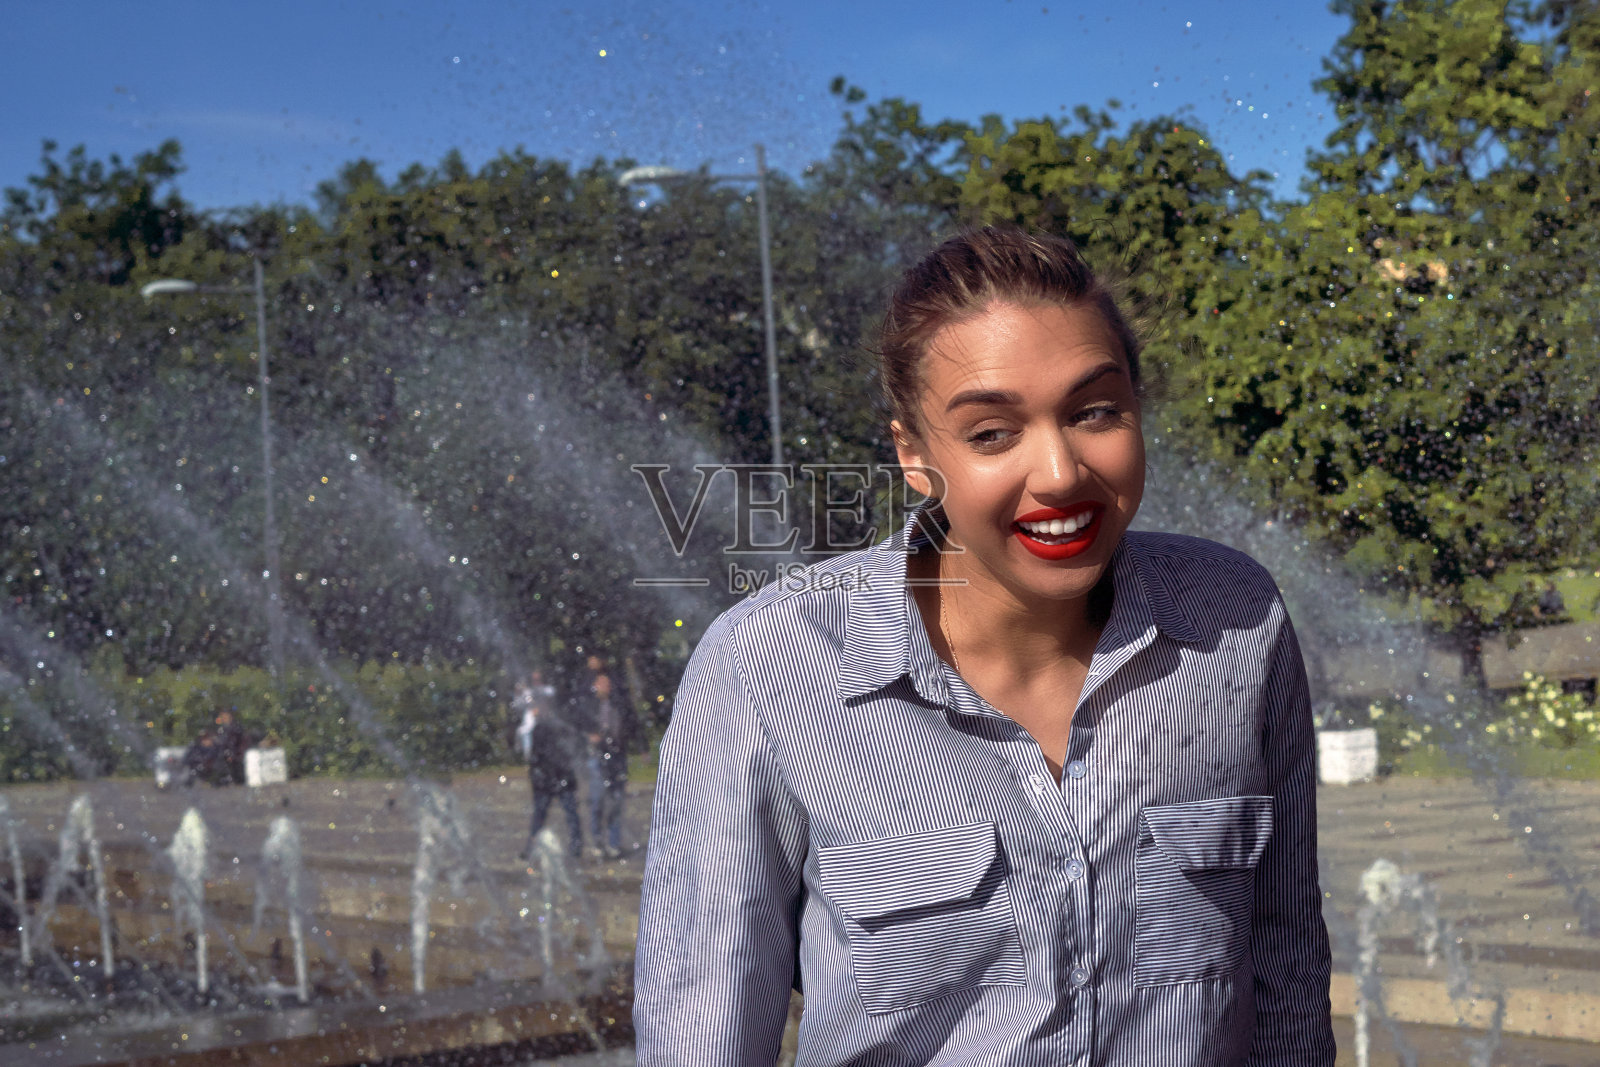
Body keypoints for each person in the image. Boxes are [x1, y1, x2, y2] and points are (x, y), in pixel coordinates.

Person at [635, 227, 1335, 1065]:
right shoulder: (768, 667)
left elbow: (1287, 967)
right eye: (992, 433)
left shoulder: (1236, 621)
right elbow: (701, 1032)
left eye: (1094, 411)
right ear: (914, 454)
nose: (1061, 473)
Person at [513, 669, 582, 861]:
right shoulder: (542, 728)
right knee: (543, 816)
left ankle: (575, 847)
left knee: (567, 815)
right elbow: (537, 757)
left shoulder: (556, 727)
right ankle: (533, 848)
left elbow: (563, 752)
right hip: (547, 779)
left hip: (558, 777)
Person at [584, 656, 630, 859]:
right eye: (602, 684)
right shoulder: (588, 706)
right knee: (597, 800)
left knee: (616, 800)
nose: (606, 687)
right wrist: (589, 736)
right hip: (597, 756)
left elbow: (630, 722)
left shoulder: (618, 704)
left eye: (608, 684)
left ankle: (614, 842)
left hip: (617, 756)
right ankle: (597, 840)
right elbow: (576, 725)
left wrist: (642, 747)